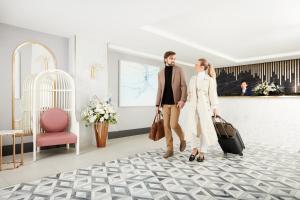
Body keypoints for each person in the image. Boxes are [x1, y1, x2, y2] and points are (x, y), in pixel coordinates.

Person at [156, 51, 187, 158]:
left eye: (174, 58)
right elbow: (159, 89)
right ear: (165, 59)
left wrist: (182, 100)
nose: (173, 60)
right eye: (171, 58)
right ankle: (170, 149)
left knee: (173, 124)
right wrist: (157, 105)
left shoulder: (179, 70)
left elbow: (183, 86)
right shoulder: (160, 73)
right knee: (166, 126)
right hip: (164, 103)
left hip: (175, 103)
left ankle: (182, 139)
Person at [186, 58, 218, 162]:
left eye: (196, 64)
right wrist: (188, 99)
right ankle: (194, 149)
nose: (195, 66)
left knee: (204, 129)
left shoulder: (210, 80)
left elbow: (213, 95)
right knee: (192, 128)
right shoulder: (192, 79)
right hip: (193, 107)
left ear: (202, 67)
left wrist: (215, 108)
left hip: (205, 108)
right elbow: (189, 92)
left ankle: (202, 152)